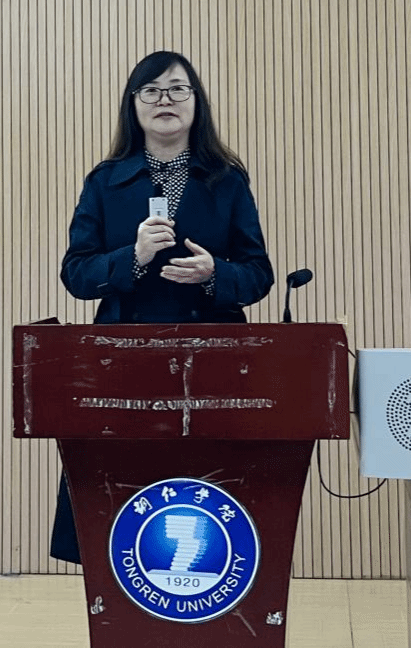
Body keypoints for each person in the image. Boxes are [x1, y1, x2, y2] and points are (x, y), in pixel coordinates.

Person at [51, 50, 275, 563]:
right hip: (124, 366)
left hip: (212, 366)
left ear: (196, 102)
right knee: (122, 501)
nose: (165, 100)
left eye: (177, 89)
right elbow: (76, 274)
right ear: (133, 105)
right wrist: (132, 258)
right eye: (151, 91)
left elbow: (258, 274)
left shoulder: (226, 179)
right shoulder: (105, 181)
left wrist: (215, 273)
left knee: (207, 501)